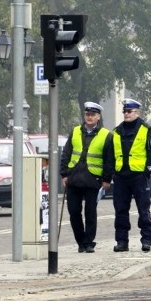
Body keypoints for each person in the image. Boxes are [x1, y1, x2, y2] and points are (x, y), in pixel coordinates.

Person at [60, 102, 113, 253]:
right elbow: (66, 153)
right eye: (87, 114)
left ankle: (89, 242)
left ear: (98, 117)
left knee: (90, 212)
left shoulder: (106, 135)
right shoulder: (75, 131)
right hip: (74, 178)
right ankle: (81, 241)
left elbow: (109, 160)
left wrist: (107, 179)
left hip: (93, 179)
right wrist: (64, 174)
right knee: (74, 212)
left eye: (93, 115)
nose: (89, 117)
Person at [111, 98, 151, 252]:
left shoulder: (146, 129)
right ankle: (122, 242)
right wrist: (113, 173)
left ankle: (146, 240)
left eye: (129, 111)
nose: (126, 114)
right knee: (120, 211)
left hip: (138, 177)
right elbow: (111, 154)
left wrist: (147, 172)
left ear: (137, 113)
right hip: (121, 177)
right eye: (124, 111)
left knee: (143, 210)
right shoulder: (117, 131)